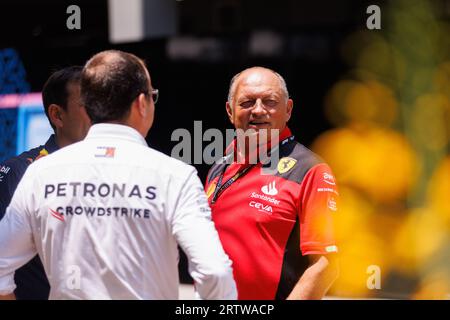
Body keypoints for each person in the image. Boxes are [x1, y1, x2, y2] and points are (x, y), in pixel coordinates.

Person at [0, 50, 236, 300]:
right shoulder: (175, 176)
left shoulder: (41, 172)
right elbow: (215, 273)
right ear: (141, 103)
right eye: (152, 96)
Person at [204, 66, 339, 300]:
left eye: (270, 101)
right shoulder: (220, 165)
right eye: (247, 102)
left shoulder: (311, 170)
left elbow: (327, 264)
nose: (258, 110)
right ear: (230, 110)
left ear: (288, 110)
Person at [0, 66, 91, 299]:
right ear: (57, 115)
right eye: (87, 104)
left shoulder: (123, 170)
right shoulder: (20, 172)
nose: (100, 112)